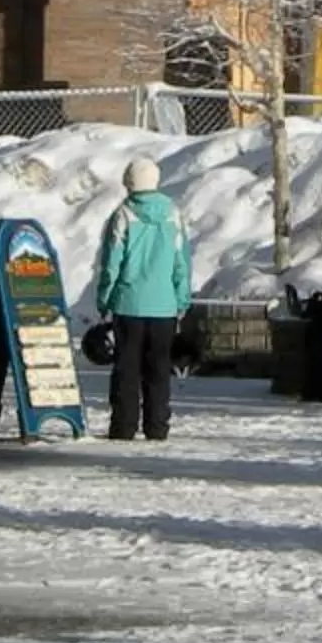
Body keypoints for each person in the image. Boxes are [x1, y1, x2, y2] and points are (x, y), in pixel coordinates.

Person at [95, 156, 192, 442]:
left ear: (129, 182)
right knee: (159, 369)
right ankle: (157, 425)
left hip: (128, 304)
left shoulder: (123, 214)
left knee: (127, 368)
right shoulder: (174, 214)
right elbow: (181, 262)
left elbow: (111, 263)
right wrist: (181, 299)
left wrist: (105, 298)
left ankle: (123, 427)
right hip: (164, 306)